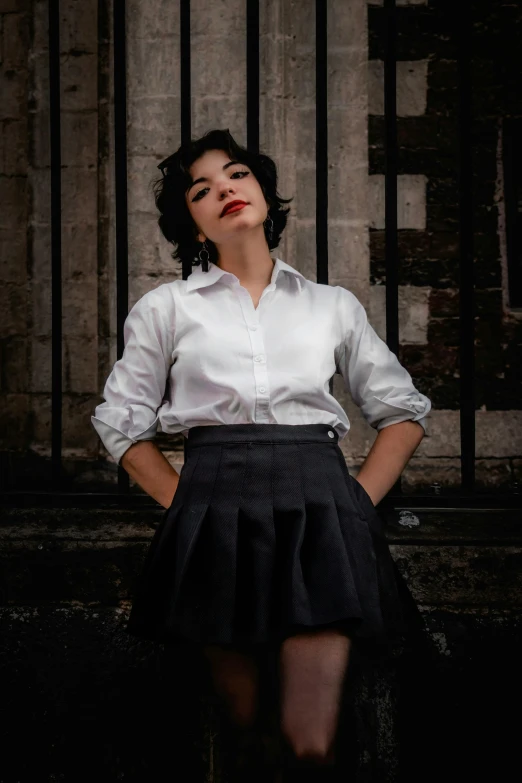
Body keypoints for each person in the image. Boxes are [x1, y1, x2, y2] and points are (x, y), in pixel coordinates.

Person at [91, 128, 431, 782]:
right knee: (245, 733)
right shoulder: (166, 308)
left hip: (320, 512)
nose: (223, 189)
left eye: (237, 175)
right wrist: (184, 502)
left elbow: (403, 412)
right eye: (201, 188)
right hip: (216, 515)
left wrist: (355, 504)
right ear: (191, 223)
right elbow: (119, 421)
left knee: (310, 744)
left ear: (266, 196)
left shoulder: (332, 306)